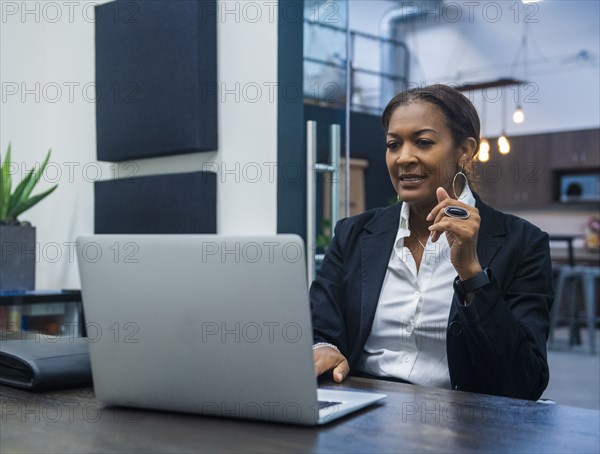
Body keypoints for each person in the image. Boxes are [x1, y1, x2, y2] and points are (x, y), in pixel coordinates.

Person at [310, 84, 553, 401]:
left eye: (422, 142)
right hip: (362, 408)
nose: (404, 158)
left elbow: (526, 382)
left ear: (465, 151)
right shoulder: (353, 233)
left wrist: (471, 273)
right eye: (393, 144)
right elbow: (320, 328)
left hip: (467, 424)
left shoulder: (523, 243)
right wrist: (323, 349)